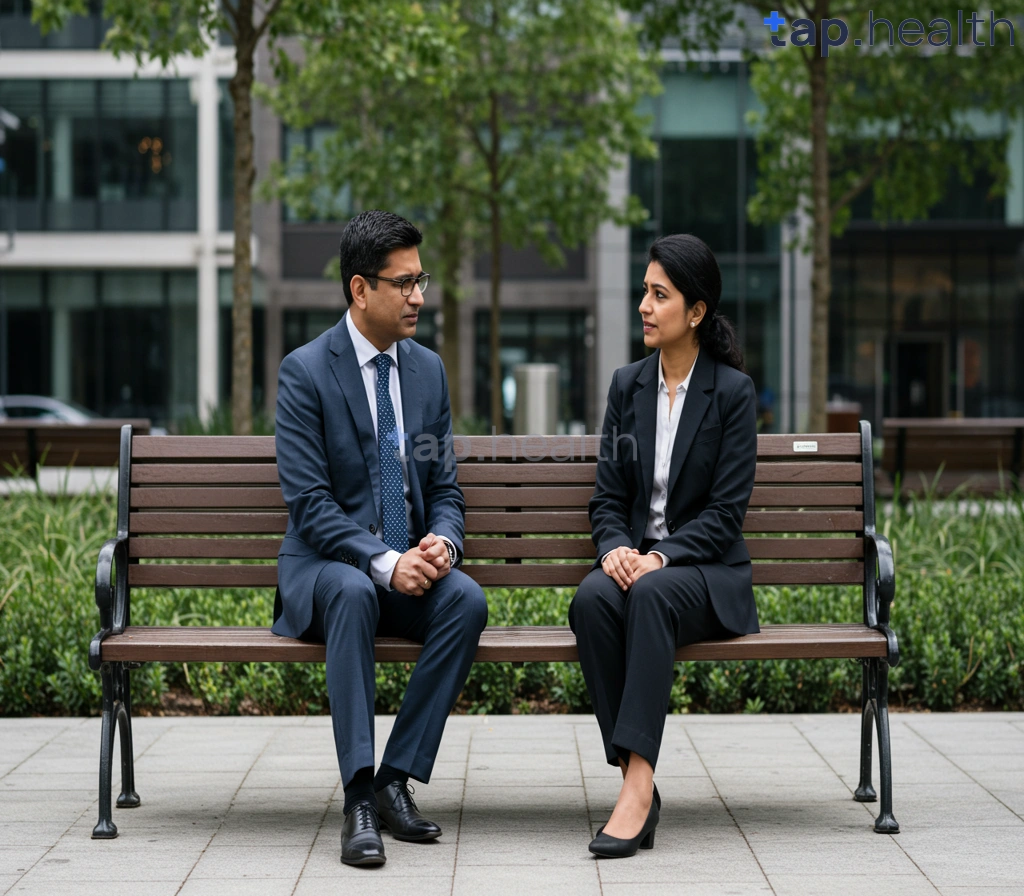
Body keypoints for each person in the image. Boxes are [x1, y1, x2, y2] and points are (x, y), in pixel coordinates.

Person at [273, 210, 488, 867]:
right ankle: (358, 798)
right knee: (353, 592)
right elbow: (310, 506)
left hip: (400, 571)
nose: (420, 295)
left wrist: (441, 547)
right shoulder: (305, 372)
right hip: (325, 572)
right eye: (405, 283)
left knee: (466, 601)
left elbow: (447, 493)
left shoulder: (427, 371)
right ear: (360, 290)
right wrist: (386, 561)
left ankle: (395, 779)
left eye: (421, 279)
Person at [569, 233, 759, 858]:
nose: (644, 307)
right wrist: (616, 550)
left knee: (649, 593)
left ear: (696, 311)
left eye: (660, 295)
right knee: (591, 602)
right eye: (643, 293)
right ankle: (638, 779)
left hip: (704, 575)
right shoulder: (628, 385)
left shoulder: (731, 393)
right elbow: (606, 499)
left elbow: (726, 514)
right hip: (639, 565)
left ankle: (635, 794)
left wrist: (660, 557)